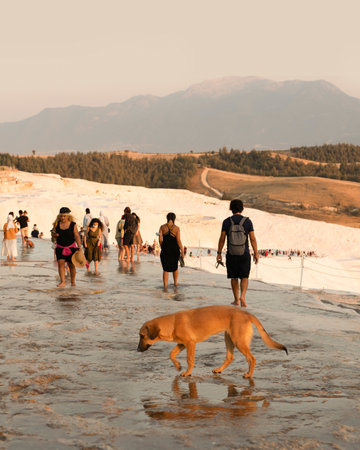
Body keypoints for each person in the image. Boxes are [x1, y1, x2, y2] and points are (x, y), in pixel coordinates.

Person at [217, 199, 259, 307]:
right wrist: (256, 253)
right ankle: (242, 296)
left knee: (234, 277)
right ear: (242, 208)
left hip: (231, 254)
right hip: (244, 254)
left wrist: (219, 253)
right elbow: (253, 239)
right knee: (244, 276)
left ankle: (236, 299)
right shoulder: (247, 221)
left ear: (231, 208)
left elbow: (222, 239)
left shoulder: (227, 221)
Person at [52, 207, 81, 287]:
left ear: (68, 216)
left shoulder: (73, 225)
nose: (63, 218)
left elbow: (76, 235)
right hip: (60, 247)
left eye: (64, 216)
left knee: (71, 265)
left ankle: (72, 282)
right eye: (61, 216)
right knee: (60, 264)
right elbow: (53, 233)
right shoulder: (57, 224)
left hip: (71, 248)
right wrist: (54, 235)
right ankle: (63, 282)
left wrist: (79, 246)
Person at [159, 212, 184, 290]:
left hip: (165, 250)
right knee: (175, 267)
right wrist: (182, 251)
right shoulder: (176, 228)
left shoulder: (162, 227)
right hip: (174, 250)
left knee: (165, 269)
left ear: (167, 218)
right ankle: (175, 283)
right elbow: (178, 241)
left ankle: (165, 287)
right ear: (174, 219)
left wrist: (162, 246)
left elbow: (160, 239)